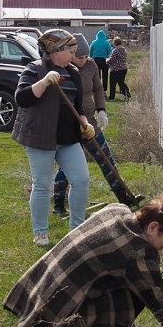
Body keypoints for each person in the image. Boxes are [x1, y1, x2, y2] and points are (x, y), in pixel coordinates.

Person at [4, 193, 163, 327]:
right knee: (137, 294)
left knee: (122, 283)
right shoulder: (138, 252)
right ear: (153, 228)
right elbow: (160, 303)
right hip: (58, 317)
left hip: (38, 298)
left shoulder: (117, 210)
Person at [12, 29, 95, 247]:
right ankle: (40, 233)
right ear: (56, 50)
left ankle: (76, 231)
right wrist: (45, 82)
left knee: (81, 180)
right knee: (42, 185)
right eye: (70, 51)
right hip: (41, 137)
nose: (73, 55)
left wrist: (85, 123)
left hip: (69, 139)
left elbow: (78, 106)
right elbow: (22, 99)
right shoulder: (34, 69)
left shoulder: (73, 72)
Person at [52, 34, 144, 214]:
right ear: (71, 55)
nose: (83, 60)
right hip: (70, 125)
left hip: (90, 123)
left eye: (86, 57)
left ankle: (123, 196)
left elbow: (98, 88)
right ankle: (58, 204)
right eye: (80, 57)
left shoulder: (91, 66)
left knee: (106, 158)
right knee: (67, 166)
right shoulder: (63, 69)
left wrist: (101, 109)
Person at [107, 37, 131, 101]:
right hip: (123, 68)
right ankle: (127, 94)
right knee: (121, 82)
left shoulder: (115, 50)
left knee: (112, 83)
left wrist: (106, 61)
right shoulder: (123, 49)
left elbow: (112, 59)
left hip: (115, 69)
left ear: (115, 43)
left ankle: (112, 97)